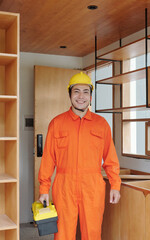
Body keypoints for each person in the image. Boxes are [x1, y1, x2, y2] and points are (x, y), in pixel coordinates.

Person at [38, 72, 121, 240]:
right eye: (76, 91)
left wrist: (115, 185)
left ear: (91, 96)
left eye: (85, 91)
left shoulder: (101, 124)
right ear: (69, 94)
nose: (81, 96)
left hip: (92, 186)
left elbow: (111, 159)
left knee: (92, 233)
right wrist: (44, 189)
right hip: (64, 186)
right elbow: (48, 159)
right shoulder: (57, 123)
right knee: (62, 233)